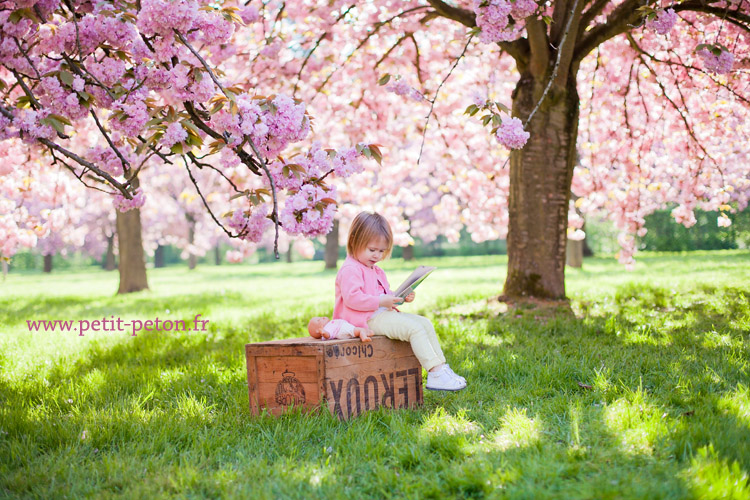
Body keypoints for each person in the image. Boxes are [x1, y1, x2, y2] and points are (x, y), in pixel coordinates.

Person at [333, 212, 466, 391]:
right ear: (354, 241)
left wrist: (399, 296)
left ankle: (441, 368)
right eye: (372, 250)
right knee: (414, 329)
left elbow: (383, 294)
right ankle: (434, 372)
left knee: (424, 323)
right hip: (364, 320)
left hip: (380, 315)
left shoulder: (376, 270)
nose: (376, 256)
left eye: (381, 251)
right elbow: (352, 299)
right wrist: (382, 301)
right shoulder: (351, 269)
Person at [307, 316, 372, 342]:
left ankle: (366, 332)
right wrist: (324, 333)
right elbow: (328, 335)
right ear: (318, 331)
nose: (322, 317)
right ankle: (363, 335)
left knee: (356, 330)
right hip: (342, 330)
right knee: (357, 330)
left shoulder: (329, 325)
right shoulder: (326, 329)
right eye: (319, 320)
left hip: (343, 328)